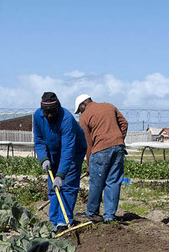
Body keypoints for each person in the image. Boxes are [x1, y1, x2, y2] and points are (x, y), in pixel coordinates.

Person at [33, 92, 87, 232]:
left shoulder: (66, 118)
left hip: (74, 152)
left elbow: (68, 149)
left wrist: (61, 174)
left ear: (58, 107)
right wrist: (43, 158)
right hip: (53, 152)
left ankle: (63, 222)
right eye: (46, 113)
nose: (49, 116)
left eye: (52, 112)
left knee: (68, 185)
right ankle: (53, 221)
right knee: (53, 186)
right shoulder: (38, 116)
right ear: (42, 110)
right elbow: (39, 140)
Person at [75, 94, 128, 222]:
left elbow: (88, 143)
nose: (80, 113)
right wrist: (118, 139)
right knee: (113, 181)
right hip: (118, 147)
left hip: (100, 150)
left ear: (83, 105)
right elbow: (124, 124)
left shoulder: (84, 117)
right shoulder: (109, 106)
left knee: (96, 183)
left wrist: (89, 164)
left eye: (79, 110)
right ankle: (109, 216)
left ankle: (92, 213)